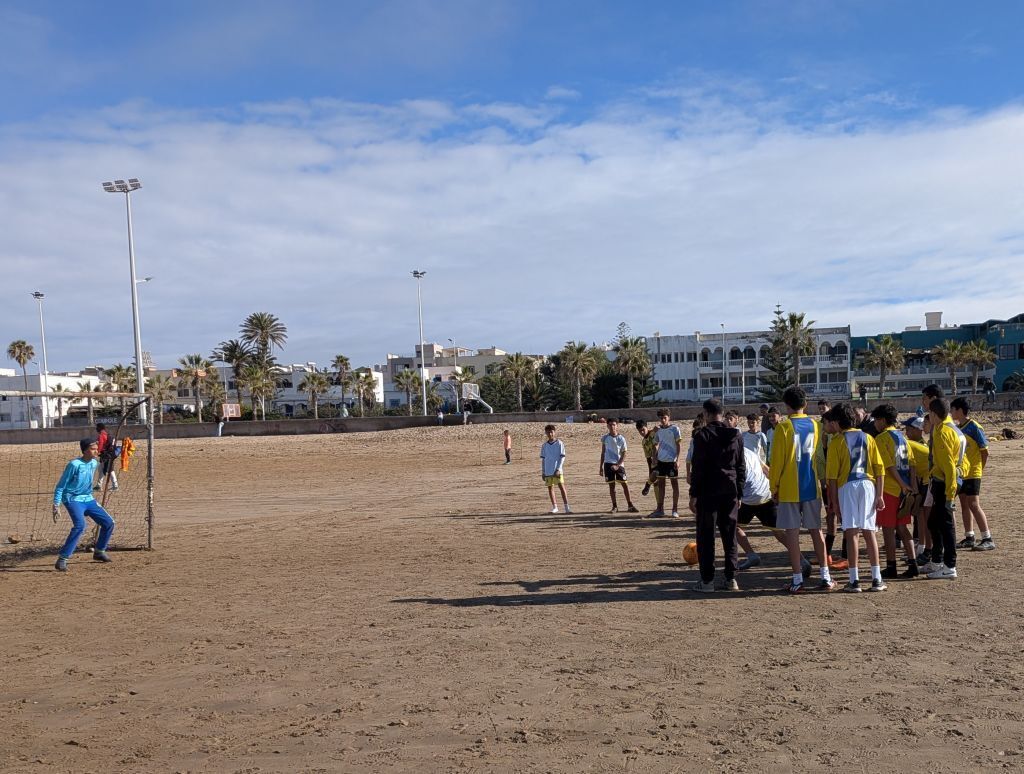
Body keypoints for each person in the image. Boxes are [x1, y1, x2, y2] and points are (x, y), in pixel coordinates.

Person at [769, 386, 832, 593]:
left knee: (792, 534)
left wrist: (774, 487)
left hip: (789, 488)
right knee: (817, 531)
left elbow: (776, 461)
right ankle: (825, 576)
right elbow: (819, 456)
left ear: (786, 406)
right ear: (805, 404)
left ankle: (797, 580)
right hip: (811, 486)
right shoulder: (815, 425)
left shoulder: (784, 427)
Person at [825, 403, 887, 592]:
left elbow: (832, 478)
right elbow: (879, 469)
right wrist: (880, 495)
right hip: (868, 485)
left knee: (851, 533)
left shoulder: (837, 441)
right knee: (869, 532)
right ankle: (876, 579)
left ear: (837, 423)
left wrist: (834, 503)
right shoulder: (868, 437)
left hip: (848, 486)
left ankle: (854, 580)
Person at [688, 399, 745, 592]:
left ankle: (707, 581)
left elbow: (698, 468)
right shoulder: (736, 435)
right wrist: (740, 493)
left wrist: (693, 494)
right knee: (730, 536)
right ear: (722, 413)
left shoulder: (702, 435)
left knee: (706, 536)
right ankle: (731, 578)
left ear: (706, 414)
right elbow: (740, 466)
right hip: (730, 491)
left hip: (708, 491)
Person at [921, 398, 968, 580]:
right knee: (934, 522)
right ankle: (938, 559)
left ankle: (949, 565)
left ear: (933, 414)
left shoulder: (943, 433)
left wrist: (950, 494)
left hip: (945, 484)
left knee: (946, 526)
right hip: (944, 481)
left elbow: (949, 465)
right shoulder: (949, 429)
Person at [52, 438, 116, 571]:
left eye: (96, 448)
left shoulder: (93, 463)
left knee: (109, 523)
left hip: (88, 499)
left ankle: (99, 552)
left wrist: (111, 457)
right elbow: (60, 486)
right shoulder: (74, 465)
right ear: (85, 450)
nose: (96, 451)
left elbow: (105, 467)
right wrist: (56, 505)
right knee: (80, 525)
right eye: (93, 449)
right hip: (72, 499)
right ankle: (62, 559)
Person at [870, 404, 918, 578]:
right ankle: (913, 563)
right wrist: (910, 486)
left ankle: (891, 566)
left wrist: (901, 484)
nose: (874, 423)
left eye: (875, 420)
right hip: (904, 491)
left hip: (890, 490)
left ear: (882, 420)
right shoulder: (901, 436)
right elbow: (912, 463)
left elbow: (888, 466)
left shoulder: (881, 438)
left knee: (888, 530)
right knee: (903, 528)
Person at [735, 445, 797, 571]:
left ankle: (751, 555)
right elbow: (767, 470)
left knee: (732, 525)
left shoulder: (732, 456)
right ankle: (802, 560)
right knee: (779, 532)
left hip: (748, 498)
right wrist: (777, 489)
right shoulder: (750, 452)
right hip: (766, 494)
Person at [950, 397, 995, 551]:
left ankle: (987, 538)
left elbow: (985, 451)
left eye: (952, 409)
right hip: (962, 472)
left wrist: (979, 470)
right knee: (964, 504)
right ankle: (969, 536)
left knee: (974, 504)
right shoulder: (958, 428)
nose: (950, 412)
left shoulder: (974, 427)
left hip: (973, 472)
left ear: (959, 410)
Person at [902, 416, 933, 565]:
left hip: (927, 482)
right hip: (925, 481)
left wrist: (913, 489)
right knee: (920, 517)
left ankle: (926, 549)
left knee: (924, 518)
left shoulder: (912, 444)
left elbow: (912, 468)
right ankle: (921, 547)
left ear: (917, 430)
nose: (906, 432)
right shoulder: (919, 443)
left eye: (908, 429)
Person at [598, 418, 638, 513]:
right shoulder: (605, 438)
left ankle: (630, 505)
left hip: (619, 464)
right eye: (610, 425)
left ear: (617, 426)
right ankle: (615, 506)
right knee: (611, 486)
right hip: (608, 464)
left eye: (614, 424)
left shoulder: (621, 438)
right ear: (607, 426)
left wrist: (618, 465)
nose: (612, 426)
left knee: (624, 484)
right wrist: (600, 467)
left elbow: (624, 454)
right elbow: (603, 452)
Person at [651, 409, 682, 518]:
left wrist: (678, 460)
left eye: (665, 417)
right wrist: (654, 457)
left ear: (669, 417)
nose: (663, 420)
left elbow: (678, 445)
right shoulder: (658, 430)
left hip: (672, 462)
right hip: (661, 461)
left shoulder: (675, 429)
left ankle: (675, 509)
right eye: (661, 418)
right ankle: (660, 509)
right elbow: (654, 444)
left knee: (675, 485)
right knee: (661, 485)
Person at [540, 424, 571, 514]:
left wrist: (558, 469)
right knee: (550, 488)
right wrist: (543, 472)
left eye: (551, 432)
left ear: (554, 432)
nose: (550, 434)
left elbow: (562, 457)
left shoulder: (559, 443)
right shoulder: (544, 445)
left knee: (562, 487)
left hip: (557, 470)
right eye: (548, 432)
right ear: (546, 433)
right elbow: (543, 459)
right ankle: (555, 507)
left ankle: (566, 507)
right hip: (548, 470)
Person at [636, 420, 659, 498]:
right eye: (640, 431)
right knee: (656, 481)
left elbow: (661, 429)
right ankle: (659, 505)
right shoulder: (644, 442)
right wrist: (650, 471)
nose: (642, 432)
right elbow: (648, 458)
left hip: (664, 457)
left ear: (647, 427)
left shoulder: (654, 432)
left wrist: (656, 428)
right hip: (655, 462)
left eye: (643, 430)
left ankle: (648, 484)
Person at [93, 422, 118, 492]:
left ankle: (115, 486)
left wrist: (97, 452)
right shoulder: (106, 434)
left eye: (97, 427)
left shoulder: (101, 435)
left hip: (105, 455)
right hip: (108, 454)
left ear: (99, 428)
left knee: (110, 470)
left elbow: (100, 445)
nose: (96, 429)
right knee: (101, 469)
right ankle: (99, 486)